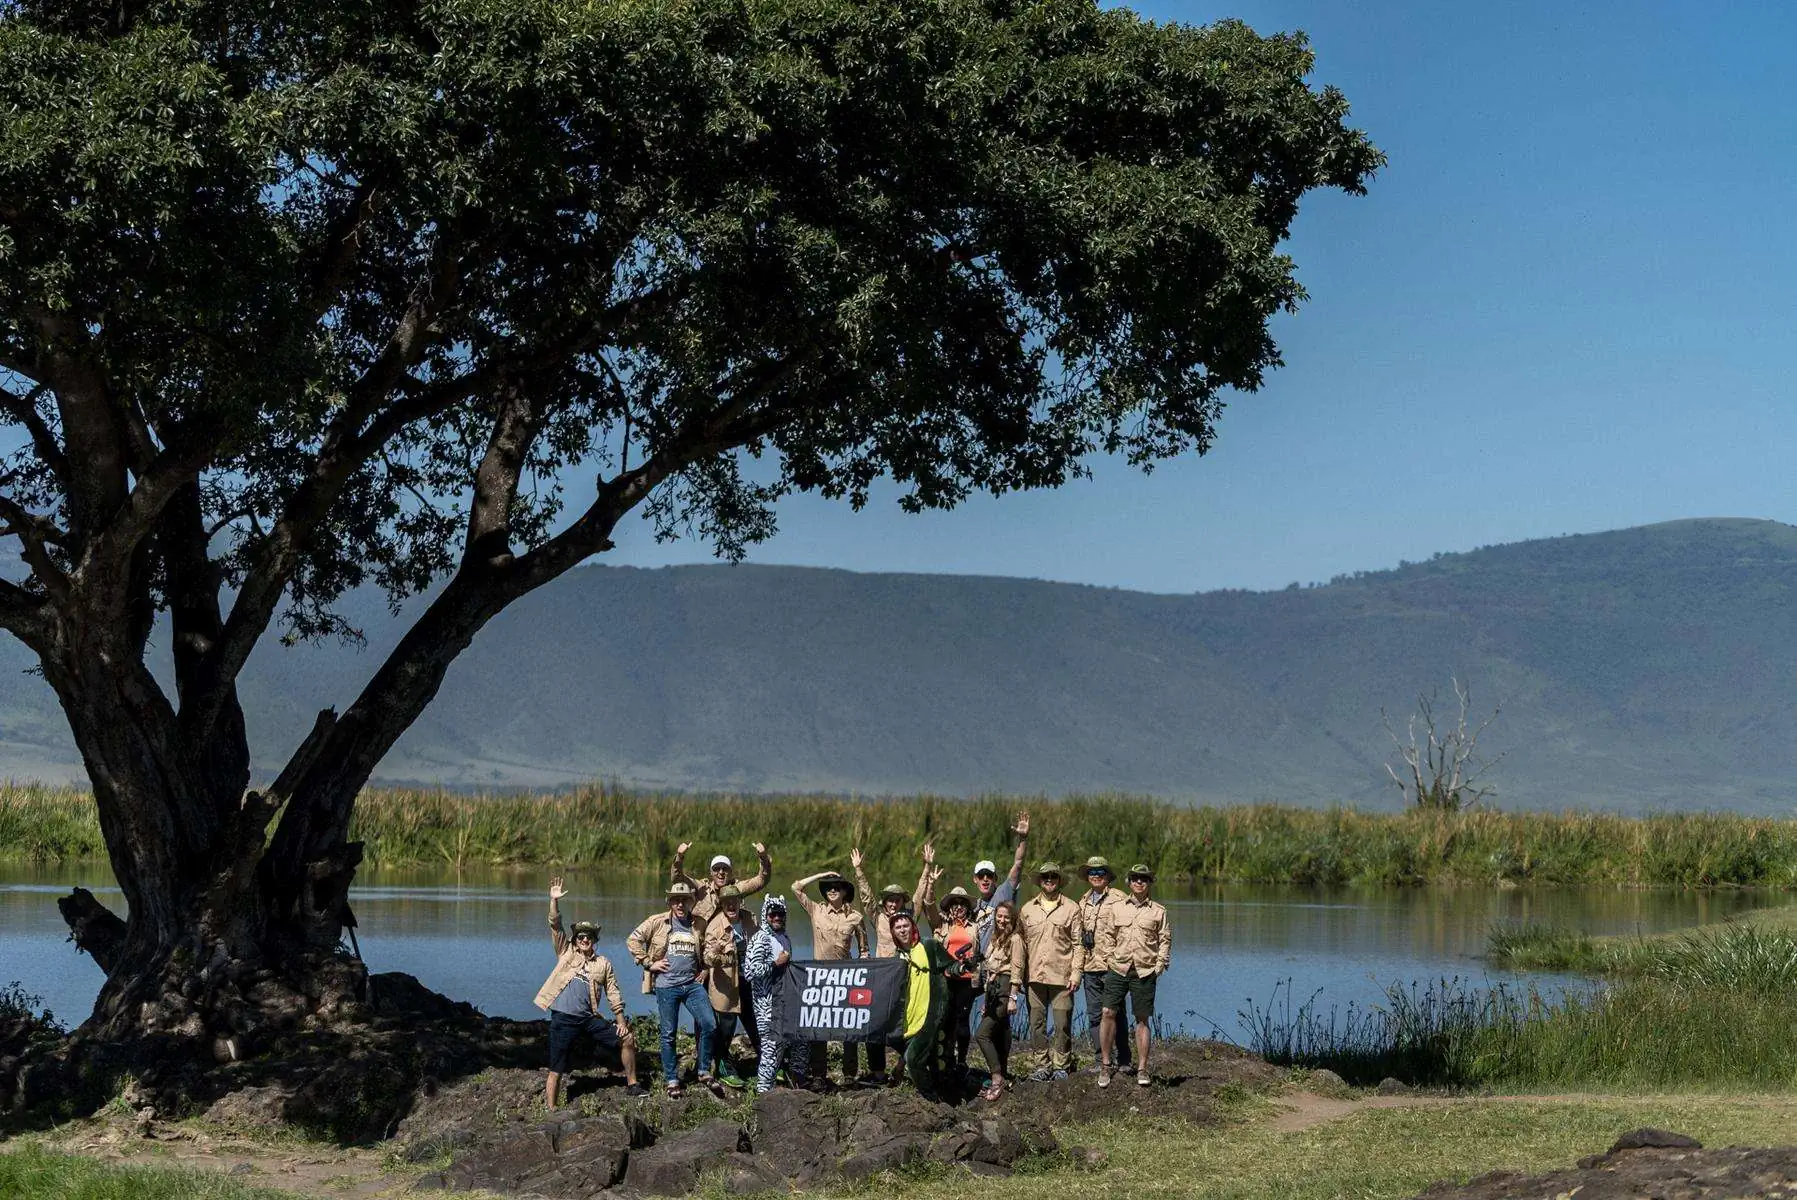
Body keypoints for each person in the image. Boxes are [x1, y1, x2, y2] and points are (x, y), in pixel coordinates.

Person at [535, 876, 644, 1106]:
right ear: (575, 940)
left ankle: (633, 1084)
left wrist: (621, 1022)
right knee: (557, 1067)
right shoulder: (565, 952)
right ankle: (551, 1109)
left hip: (588, 1019)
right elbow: (555, 924)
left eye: (589, 936)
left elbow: (613, 993)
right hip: (563, 1019)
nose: (584, 939)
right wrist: (554, 901)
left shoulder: (603, 963)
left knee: (627, 1039)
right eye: (581, 936)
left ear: (594, 940)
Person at [852, 842, 940, 1084]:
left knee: (903, 1025)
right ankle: (878, 1073)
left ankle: (909, 1061)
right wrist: (859, 871)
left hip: (905, 980)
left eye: (897, 900)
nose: (893, 904)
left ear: (903, 901)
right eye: (889, 900)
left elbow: (920, 895)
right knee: (875, 1026)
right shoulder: (878, 917)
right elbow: (867, 896)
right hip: (881, 980)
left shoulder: (908, 918)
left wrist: (926, 867)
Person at [626, 880, 718, 1097]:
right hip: (667, 986)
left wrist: (705, 969)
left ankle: (703, 1070)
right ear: (670, 902)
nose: (679, 904)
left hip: (692, 985)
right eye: (676, 900)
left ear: (690, 903)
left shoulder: (699, 923)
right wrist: (649, 962)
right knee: (668, 1034)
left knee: (709, 1024)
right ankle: (672, 1079)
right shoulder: (657, 921)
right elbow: (633, 940)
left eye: (684, 900)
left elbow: (706, 950)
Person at [1094, 863, 1172, 1089]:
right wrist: (1109, 958)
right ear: (1129, 882)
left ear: (1149, 883)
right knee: (1107, 1012)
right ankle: (1106, 1065)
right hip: (1118, 968)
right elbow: (1107, 935)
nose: (1139, 882)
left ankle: (1142, 1068)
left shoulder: (1159, 911)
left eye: (1144, 879)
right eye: (1135, 878)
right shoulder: (1118, 908)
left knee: (1142, 1020)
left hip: (1145, 971)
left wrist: (1159, 965)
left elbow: (1165, 940)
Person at [791, 868, 869, 1085]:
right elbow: (795, 887)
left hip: (846, 978)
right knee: (818, 1028)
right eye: (828, 888)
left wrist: (864, 966)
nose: (832, 890)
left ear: (845, 891)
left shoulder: (856, 917)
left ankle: (850, 1075)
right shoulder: (816, 910)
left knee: (849, 1028)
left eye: (836, 887)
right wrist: (821, 874)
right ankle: (818, 1076)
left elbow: (864, 950)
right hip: (820, 978)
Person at [1018, 861, 1084, 1081]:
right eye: (1045, 877)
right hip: (1034, 977)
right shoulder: (1027, 909)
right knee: (1036, 1024)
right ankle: (1041, 1065)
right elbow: (1020, 946)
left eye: (1053, 877)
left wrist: (1076, 973)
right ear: (1040, 881)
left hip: (1063, 977)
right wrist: (1018, 978)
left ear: (1059, 881)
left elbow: (1078, 944)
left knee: (1062, 1023)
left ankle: (1061, 1065)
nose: (1049, 880)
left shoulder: (1072, 908)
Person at [742, 894, 806, 1094]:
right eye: (773, 914)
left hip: (785, 1002)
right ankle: (763, 1092)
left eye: (781, 914)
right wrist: (774, 964)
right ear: (765, 915)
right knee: (770, 1049)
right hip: (765, 1005)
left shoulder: (785, 939)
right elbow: (750, 972)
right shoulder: (759, 939)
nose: (777, 918)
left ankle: (796, 1083)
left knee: (799, 1041)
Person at [701, 883, 760, 1088]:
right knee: (726, 1029)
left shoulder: (751, 919)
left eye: (734, 901)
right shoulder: (714, 927)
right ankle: (723, 1068)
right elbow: (708, 958)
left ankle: (768, 1064)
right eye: (726, 902)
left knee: (756, 1024)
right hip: (726, 985)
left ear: (740, 901)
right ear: (722, 904)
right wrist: (718, 952)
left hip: (750, 982)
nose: (731, 905)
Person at [1078, 855, 1131, 1072]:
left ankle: (1124, 1059)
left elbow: (1128, 932)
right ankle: (1101, 1060)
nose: (1096, 876)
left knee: (1117, 1013)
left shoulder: (1120, 899)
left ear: (1108, 876)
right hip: (1090, 967)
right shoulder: (1081, 902)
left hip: (1113, 966)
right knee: (1094, 1015)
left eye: (1100, 872)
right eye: (1092, 872)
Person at [893, 911, 951, 1102]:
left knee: (913, 1059)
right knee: (930, 1056)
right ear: (893, 932)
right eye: (898, 927)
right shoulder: (896, 958)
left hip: (931, 1012)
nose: (903, 930)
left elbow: (949, 966)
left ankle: (932, 1099)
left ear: (913, 927)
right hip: (910, 1015)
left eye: (906, 926)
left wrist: (962, 967)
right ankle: (941, 1090)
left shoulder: (929, 945)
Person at [974, 900, 1025, 1101]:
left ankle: (996, 1077)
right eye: (999, 916)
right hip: (993, 990)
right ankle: (1003, 1072)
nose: (1002, 920)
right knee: (1000, 1032)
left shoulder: (1015, 939)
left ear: (1013, 919)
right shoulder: (996, 937)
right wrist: (987, 998)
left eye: (1006, 917)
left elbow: (1017, 969)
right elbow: (989, 967)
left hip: (1005, 989)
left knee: (981, 1034)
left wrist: (1013, 998)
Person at [934, 885, 981, 1081]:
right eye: (955, 903)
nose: (959, 907)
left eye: (962, 904)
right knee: (945, 1019)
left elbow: (981, 951)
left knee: (962, 1019)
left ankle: (962, 1060)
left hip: (966, 979)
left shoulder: (975, 927)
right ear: (949, 907)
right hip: (946, 978)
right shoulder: (942, 926)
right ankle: (945, 1058)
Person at [969, 811, 1030, 953]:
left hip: (1000, 964)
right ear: (975, 879)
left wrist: (1023, 839)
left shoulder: (1003, 892)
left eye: (989, 876)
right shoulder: (973, 907)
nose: (985, 879)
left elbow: (1018, 864)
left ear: (995, 879)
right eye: (981, 875)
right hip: (980, 967)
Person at [670, 841, 773, 923]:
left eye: (725, 869)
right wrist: (679, 857)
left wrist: (763, 858)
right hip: (703, 942)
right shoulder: (702, 888)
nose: (721, 872)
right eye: (716, 869)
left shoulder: (737, 888)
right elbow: (677, 878)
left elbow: (761, 880)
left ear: (731, 872)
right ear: (710, 872)